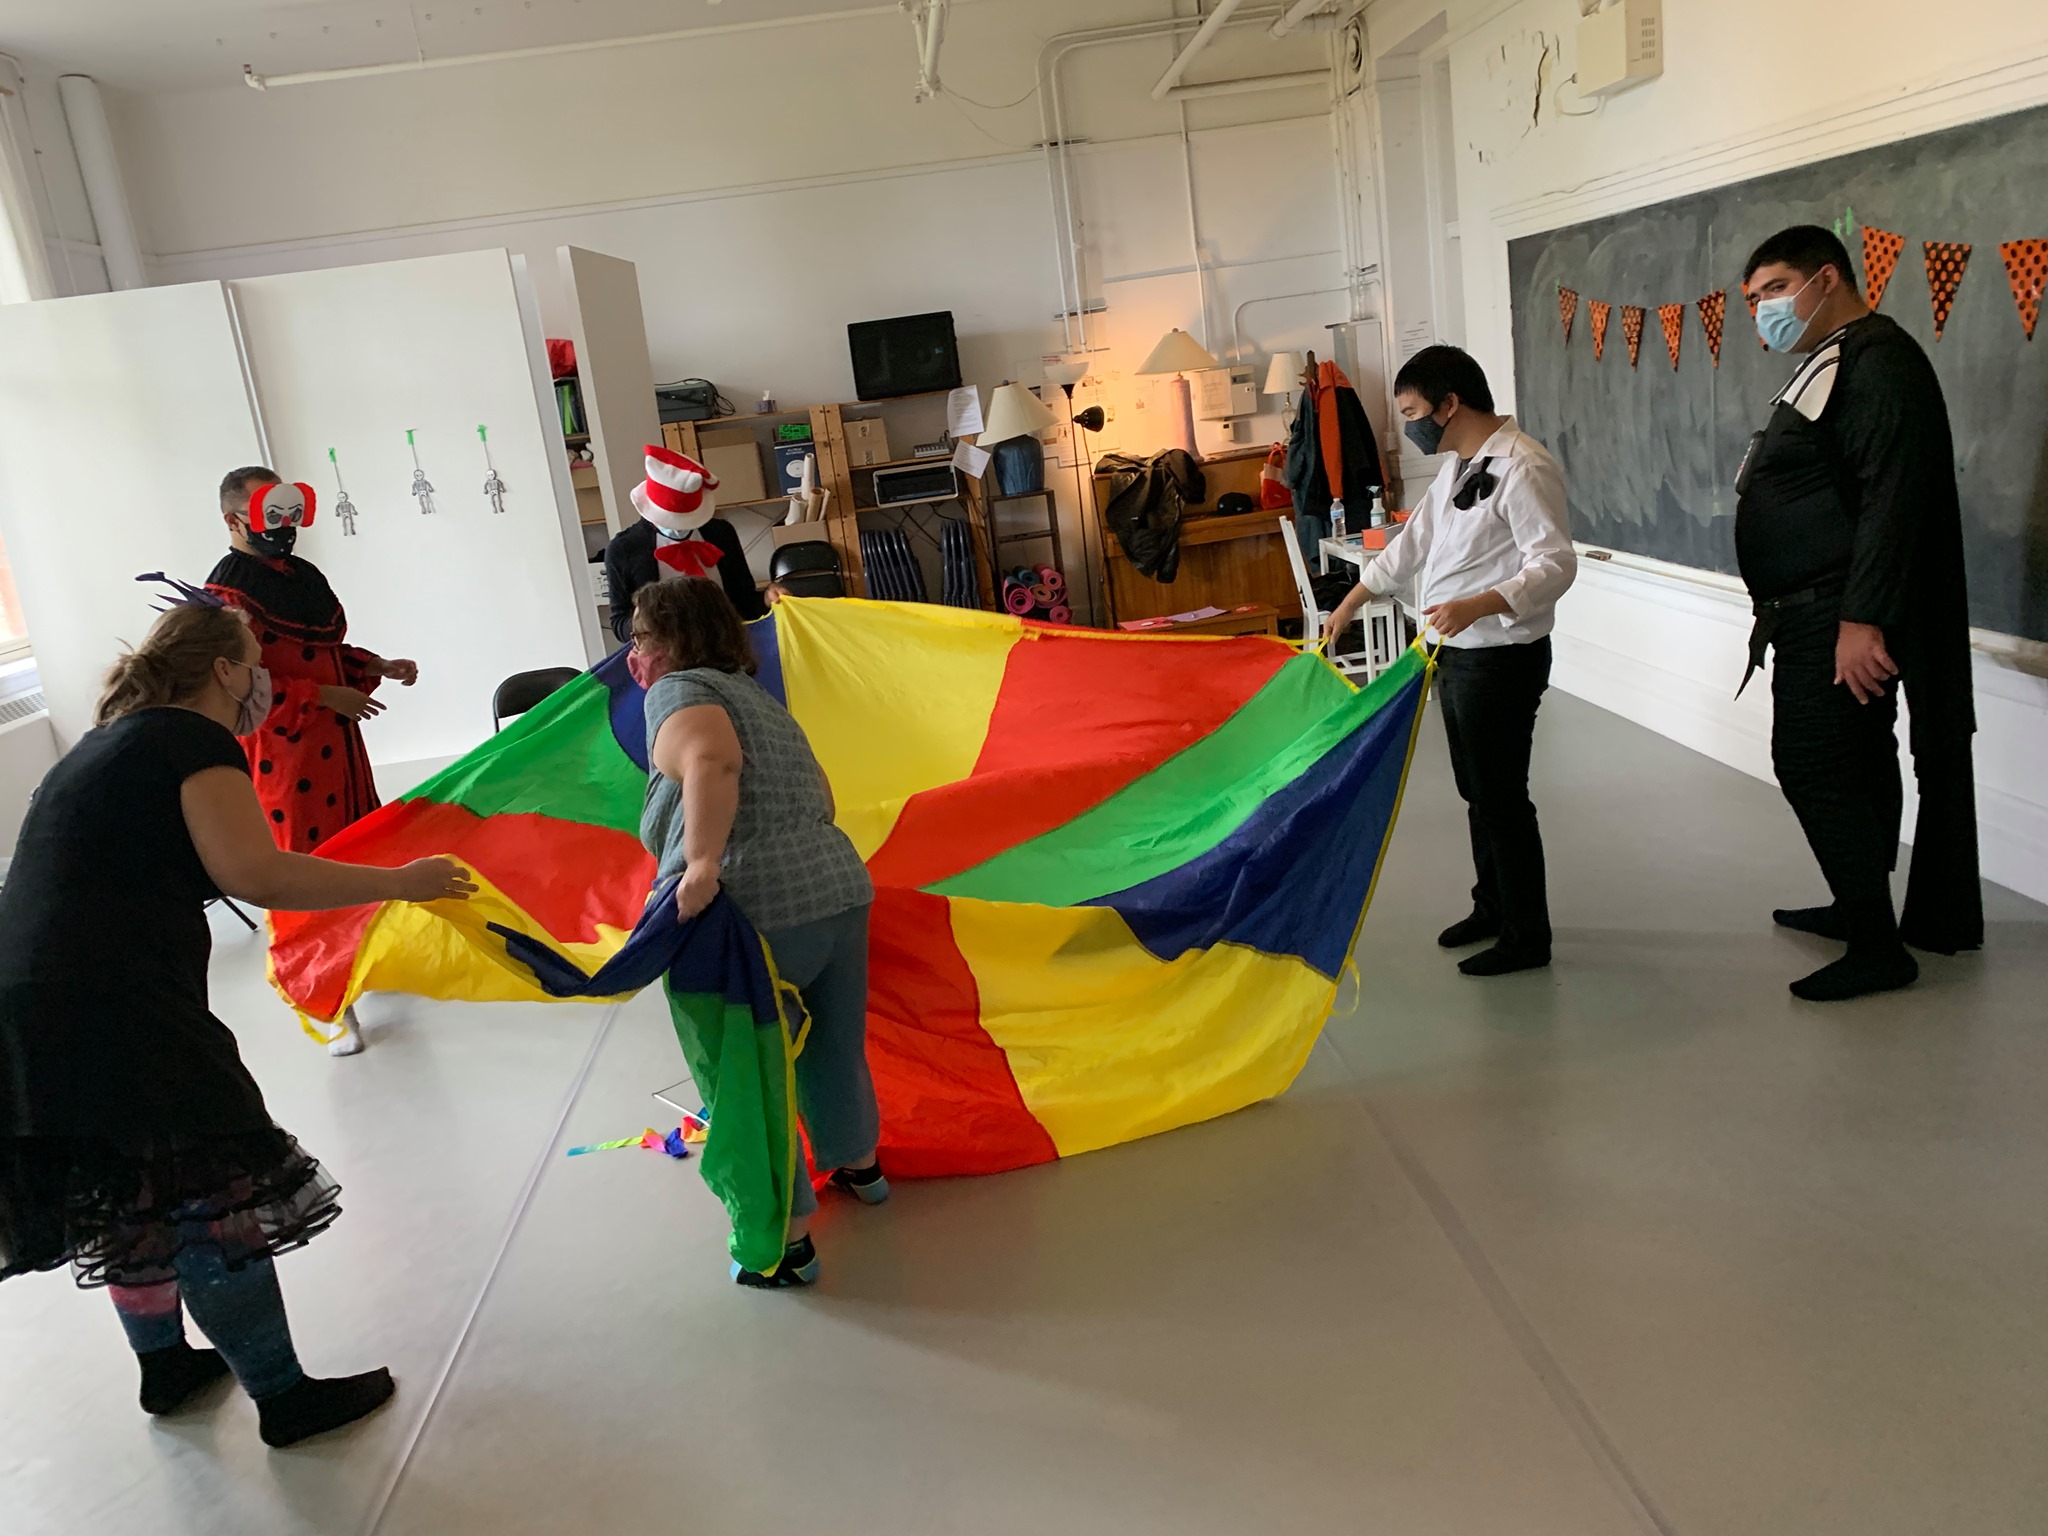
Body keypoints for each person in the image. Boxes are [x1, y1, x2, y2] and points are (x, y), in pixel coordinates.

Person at [0, 600, 474, 1445]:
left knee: (130, 1183)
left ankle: (168, 1368)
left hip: (34, 996)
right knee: (205, 1181)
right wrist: (402, 882)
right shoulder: (189, 740)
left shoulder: (119, 740)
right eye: (254, 659)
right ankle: (284, 1397)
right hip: (109, 998)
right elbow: (255, 873)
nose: (261, 676)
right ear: (222, 671)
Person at [1736, 225, 1982, 1002]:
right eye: (1750, 300)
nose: (1762, 310)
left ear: (1827, 278)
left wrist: (1862, 619)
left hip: (1837, 612)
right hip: (1813, 606)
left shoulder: (1880, 362)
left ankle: (1880, 946)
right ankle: (1860, 903)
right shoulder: (1831, 361)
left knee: (1812, 761)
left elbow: (1892, 497)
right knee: (1859, 757)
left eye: (1773, 289)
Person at [630, 577, 882, 1288]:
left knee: (742, 1073)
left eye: (641, 639)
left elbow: (711, 761)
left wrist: (703, 863)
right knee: (833, 1046)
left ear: (670, 644)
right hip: (837, 888)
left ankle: (784, 1239)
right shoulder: (763, 702)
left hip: (755, 911)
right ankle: (862, 1167)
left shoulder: (677, 693)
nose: (634, 657)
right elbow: (823, 794)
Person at [1327, 345, 1577, 977]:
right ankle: (1491, 907)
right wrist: (1353, 600)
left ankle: (1527, 937)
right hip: (1455, 655)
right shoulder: (1462, 466)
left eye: (1413, 412)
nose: (1408, 427)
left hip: (1500, 657)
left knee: (1502, 799)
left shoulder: (1524, 466)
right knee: (1477, 793)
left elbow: (1553, 564)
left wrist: (1482, 603)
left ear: (1449, 404)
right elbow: (1415, 543)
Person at [207, 466, 421, 1056]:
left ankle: (360, 963)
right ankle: (325, 1000)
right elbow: (239, 682)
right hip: (286, 757)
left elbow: (320, 650)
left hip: (340, 750)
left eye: (288, 512)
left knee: (357, 852)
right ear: (234, 520)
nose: (283, 527)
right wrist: (325, 696)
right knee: (302, 870)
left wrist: (373, 667)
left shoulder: (300, 576)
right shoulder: (226, 599)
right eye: (267, 515)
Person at [603, 443, 767, 644]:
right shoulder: (623, 549)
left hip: (727, 649)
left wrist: (768, 598)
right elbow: (619, 623)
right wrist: (645, 622)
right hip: (666, 658)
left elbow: (745, 602)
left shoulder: (720, 534)